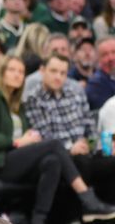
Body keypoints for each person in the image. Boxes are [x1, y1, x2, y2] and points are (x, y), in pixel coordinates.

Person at [0, 55, 115, 223]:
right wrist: (16, 142)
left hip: (11, 156)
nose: (17, 75)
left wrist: (29, 139)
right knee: (54, 145)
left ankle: (38, 220)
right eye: (12, 70)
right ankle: (87, 198)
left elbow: (27, 135)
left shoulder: (15, 103)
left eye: (21, 71)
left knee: (52, 161)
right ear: (1, 73)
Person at [25, 53, 115, 203]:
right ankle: (88, 208)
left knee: (111, 160)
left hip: (86, 151)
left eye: (62, 73)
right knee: (80, 162)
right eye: (53, 71)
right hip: (63, 155)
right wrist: (70, 148)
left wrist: (89, 144)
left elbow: (90, 127)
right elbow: (44, 136)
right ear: (42, 71)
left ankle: (109, 210)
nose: (58, 77)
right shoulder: (34, 99)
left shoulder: (75, 94)